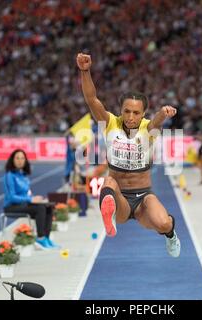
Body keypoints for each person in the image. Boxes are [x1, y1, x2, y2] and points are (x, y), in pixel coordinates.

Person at [77, 52, 181, 257]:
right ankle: (109, 216)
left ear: (142, 114)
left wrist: (164, 113)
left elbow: (157, 121)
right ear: (121, 110)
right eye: (126, 111)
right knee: (108, 182)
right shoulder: (109, 123)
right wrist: (85, 71)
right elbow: (91, 99)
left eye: (136, 113)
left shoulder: (148, 128)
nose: (130, 117)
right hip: (119, 198)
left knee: (163, 222)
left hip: (143, 198)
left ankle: (171, 235)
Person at [3, 149, 58, 249]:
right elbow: (11, 197)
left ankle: (46, 238)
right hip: (11, 206)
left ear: (25, 161)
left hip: (23, 205)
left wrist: (36, 199)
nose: (20, 160)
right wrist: (30, 200)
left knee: (48, 206)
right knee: (40, 208)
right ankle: (40, 238)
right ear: (12, 160)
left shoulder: (24, 176)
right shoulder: (9, 176)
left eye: (22, 158)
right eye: (17, 158)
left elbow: (28, 194)